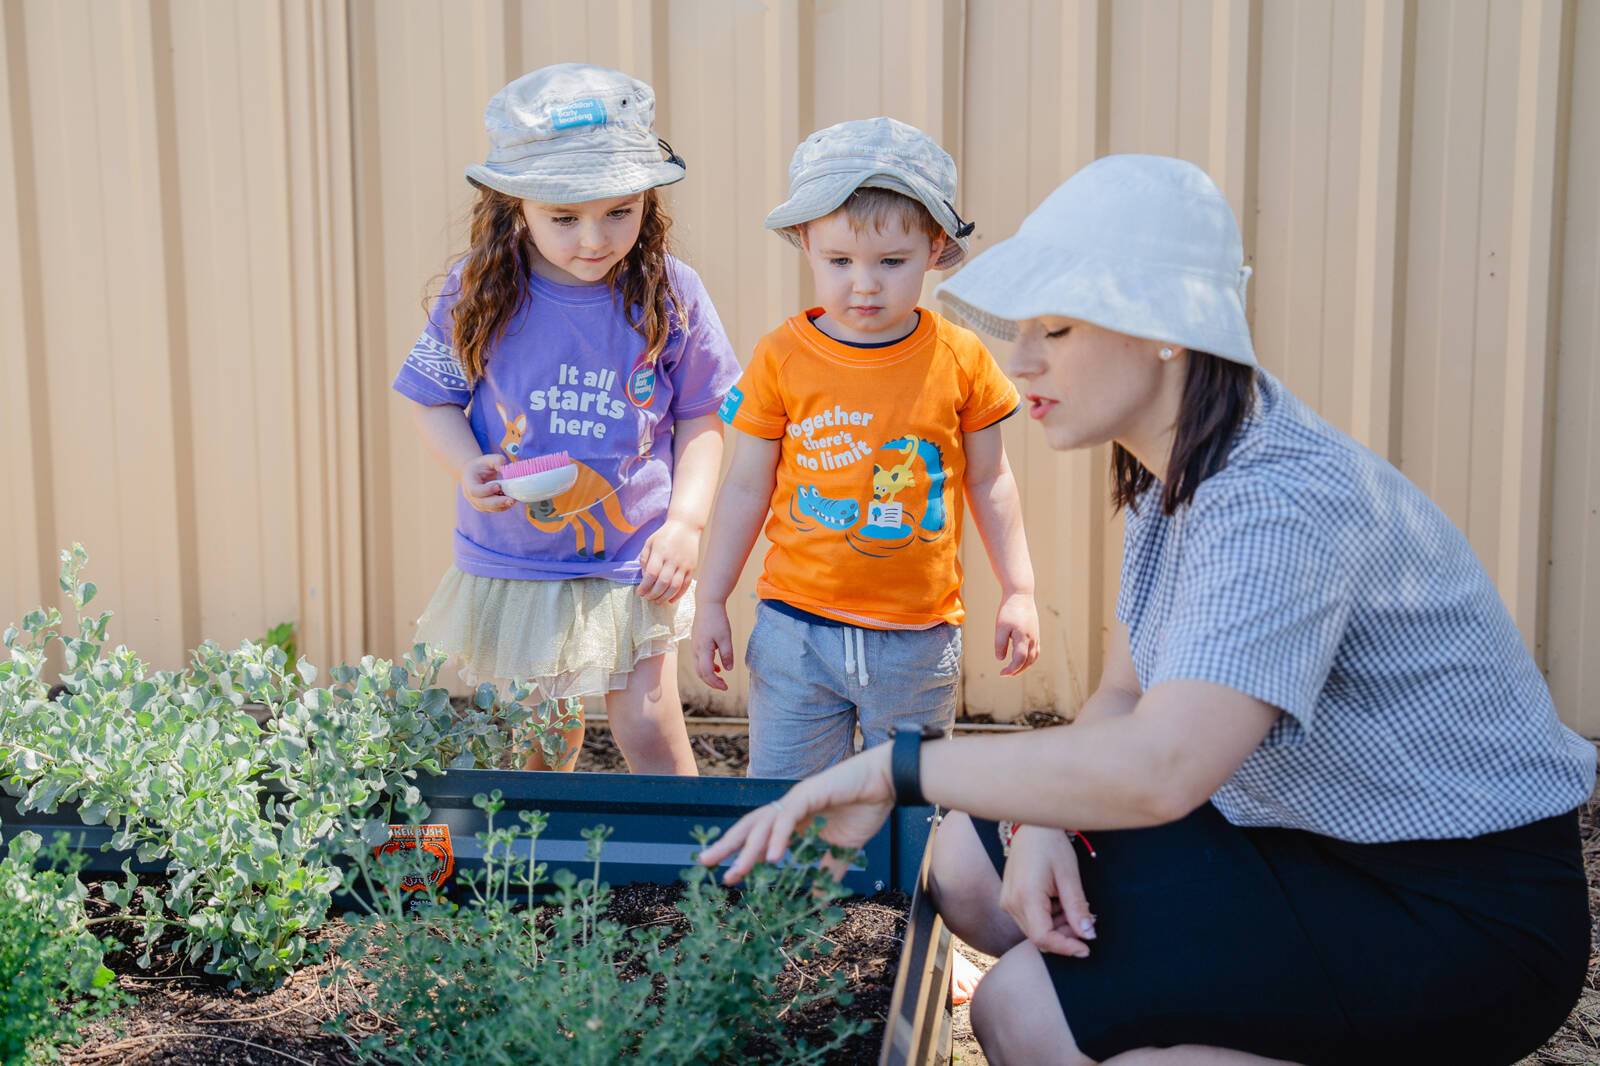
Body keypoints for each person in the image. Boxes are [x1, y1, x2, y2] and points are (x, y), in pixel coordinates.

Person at [701, 154, 1596, 1066]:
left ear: (1167, 330)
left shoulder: (1277, 503)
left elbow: (1160, 770)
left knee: (1020, 1013)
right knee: (974, 866)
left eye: (1056, 329)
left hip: (1451, 906)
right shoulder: (1176, 466)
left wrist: (889, 772)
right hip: (1289, 830)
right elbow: (1124, 699)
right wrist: (1046, 817)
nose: (1022, 359)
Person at [394, 64, 739, 775]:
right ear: (515, 205)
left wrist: (685, 525)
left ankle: (691, 874)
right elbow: (432, 400)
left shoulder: (670, 292)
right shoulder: (482, 290)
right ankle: (538, 878)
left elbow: (704, 417)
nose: (594, 239)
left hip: (632, 557)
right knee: (540, 742)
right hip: (520, 558)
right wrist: (467, 466)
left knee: (647, 727)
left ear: (647, 198)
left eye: (619, 211)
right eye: (564, 217)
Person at [691, 117, 1040, 782]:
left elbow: (991, 479)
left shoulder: (960, 358)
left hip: (917, 640)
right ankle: (791, 891)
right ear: (805, 243)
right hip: (797, 633)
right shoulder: (780, 356)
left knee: (906, 807)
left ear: (935, 247)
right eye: (840, 261)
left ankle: (906, 891)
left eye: (891, 262)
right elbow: (745, 483)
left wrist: (1019, 589)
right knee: (787, 806)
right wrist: (712, 598)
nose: (865, 285)